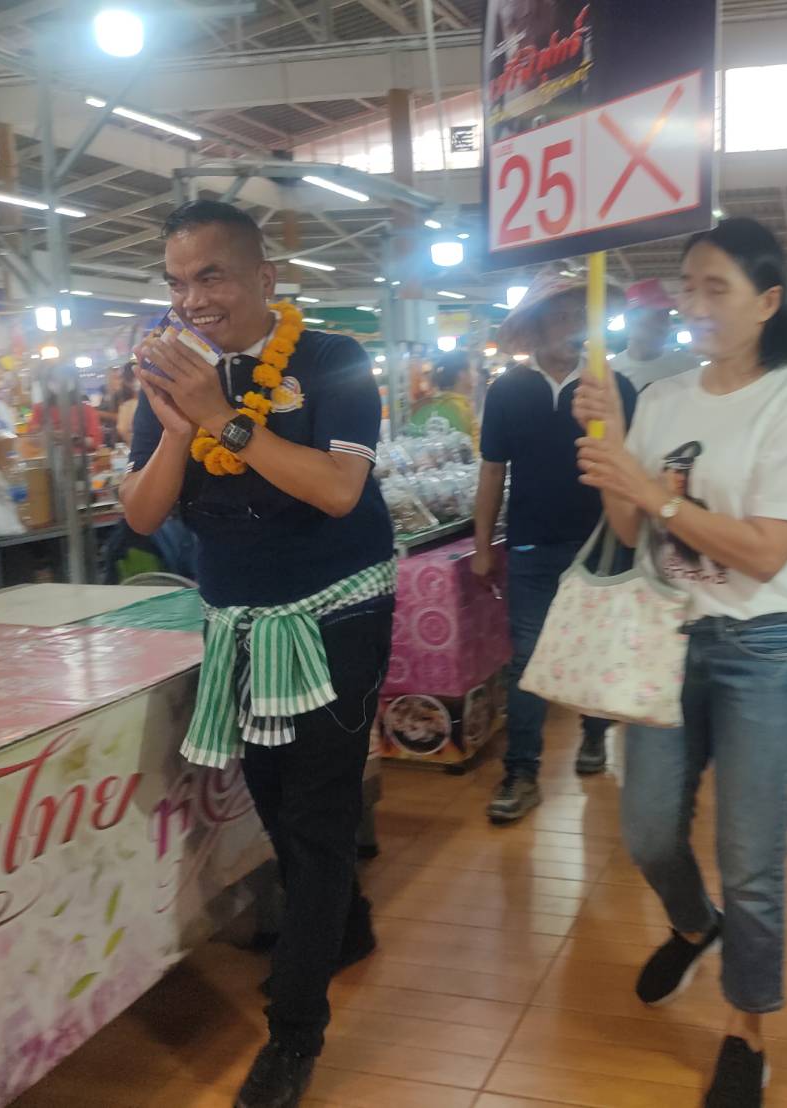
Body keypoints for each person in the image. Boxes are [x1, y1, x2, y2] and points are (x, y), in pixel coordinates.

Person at [121, 200, 394, 1108]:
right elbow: (141, 514)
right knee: (274, 798)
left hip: (336, 614)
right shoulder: (170, 377)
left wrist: (223, 417)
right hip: (238, 619)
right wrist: (176, 424)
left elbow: (339, 490)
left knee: (315, 819)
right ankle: (343, 922)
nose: (192, 298)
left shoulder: (333, 360)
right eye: (177, 281)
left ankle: (293, 1034)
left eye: (212, 275)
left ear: (264, 279)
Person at [574, 218, 787, 1108]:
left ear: (767, 303)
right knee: (647, 830)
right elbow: (631, 533)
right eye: (687, 286)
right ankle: (695, 926)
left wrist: (654, 495)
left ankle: (745, 1027)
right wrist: (616, 455)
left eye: (715, 287)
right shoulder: (661, 398)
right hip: (666, 635)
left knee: (750, 855)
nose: (693, 303)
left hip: (759, 649)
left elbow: (765, 552)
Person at [473, 271, 638, 824]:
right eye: (559, 316)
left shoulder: (613, 388)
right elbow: (492, 471)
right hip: (530, 546)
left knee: (595, 648)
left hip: (600, 543)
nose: (569, 325)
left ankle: (594, 733)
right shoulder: (506, 391)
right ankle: (521, 772)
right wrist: (482, 544)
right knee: (528, 659)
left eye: (577, 315)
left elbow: (631, 466)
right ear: (537, 326)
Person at [612, 278, 700, 391]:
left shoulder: (687, 366)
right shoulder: (611, 372)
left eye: (666, 314)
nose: (666, 322)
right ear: (630, 319)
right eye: (657, 314)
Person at [409, 350, 478, 441]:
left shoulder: (426, 405)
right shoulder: (460, 409)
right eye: (473, 369)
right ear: (461, 374)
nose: (476, 374)